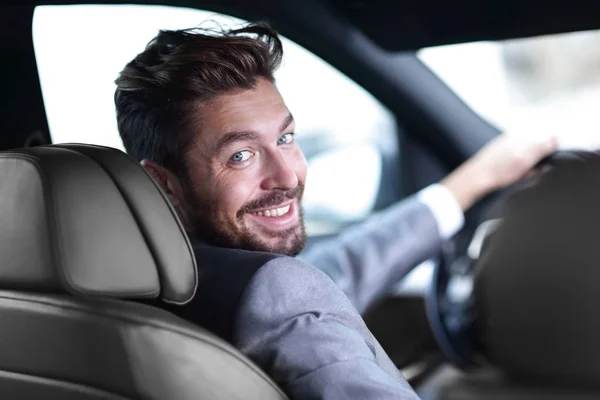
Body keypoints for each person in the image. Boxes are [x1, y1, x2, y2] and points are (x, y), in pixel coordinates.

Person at [114, 23, 557, 399]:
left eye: (285, 139)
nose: (286, 177)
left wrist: (467, 185)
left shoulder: (136, 284)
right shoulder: (278, 296)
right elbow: (291, 299)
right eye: (241, 156)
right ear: (164, 183)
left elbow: (323, 278)